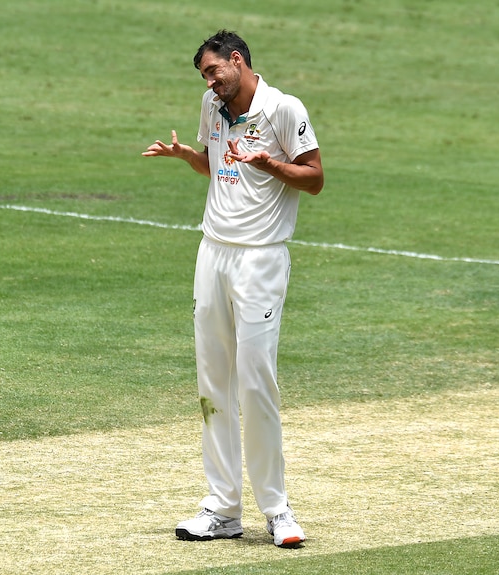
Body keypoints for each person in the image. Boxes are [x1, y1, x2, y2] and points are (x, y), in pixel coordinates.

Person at [142, 30, 323, 547]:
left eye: (213, 70)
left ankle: (278, 510)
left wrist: (273, 165)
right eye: (204, 75)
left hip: (260, 259)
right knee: (213, 381)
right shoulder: (212, 105)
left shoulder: (284, 109)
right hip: (212, 253)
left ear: (236, 61)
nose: (209, 81)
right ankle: (223, 509)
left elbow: (313, 178)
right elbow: (217, 164)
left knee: (255, 380)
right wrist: (186, 158)